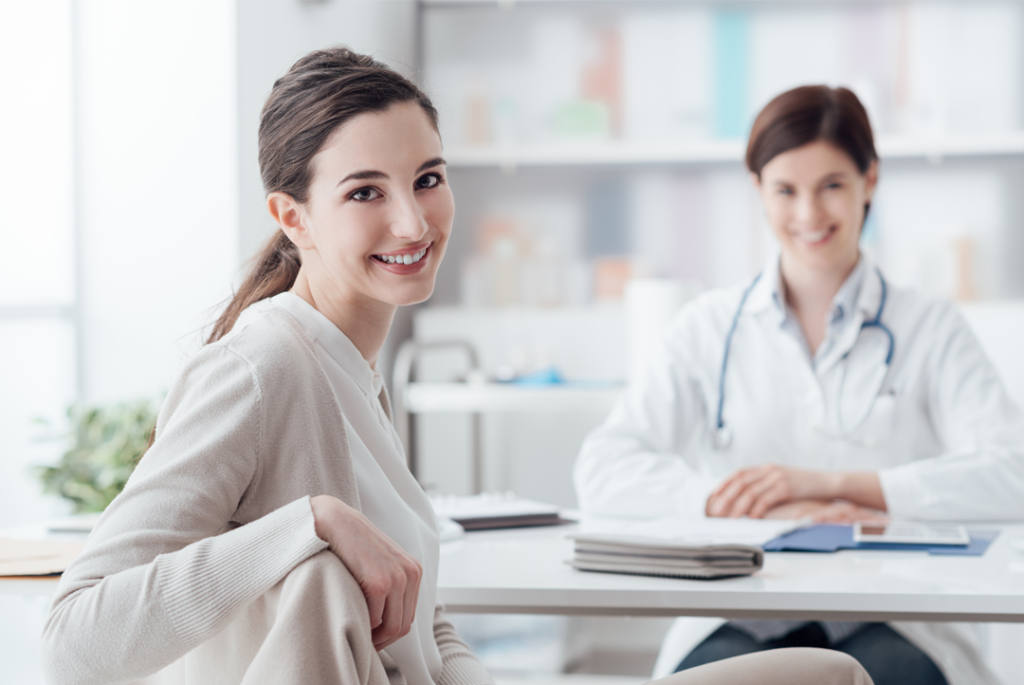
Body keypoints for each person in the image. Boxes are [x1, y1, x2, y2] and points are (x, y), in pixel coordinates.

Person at [41, 51, 872, 685]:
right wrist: (310, 522)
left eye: (427, 179)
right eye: (365, 192)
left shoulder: (354, 368)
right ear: (291, 217)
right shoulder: (263, 365)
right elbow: (74, 640)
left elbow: (423, 622)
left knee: (831, 674)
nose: (413, 219)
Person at [574, 85, 1024, 685]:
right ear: (758, 191)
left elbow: (1012, 471)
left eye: (832, 185)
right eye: (786, 190)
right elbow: (602, 470)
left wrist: (842, 486)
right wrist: (732, 500)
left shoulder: (930, 326)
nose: (809, 214)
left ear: (871, 181)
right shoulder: (708, 327)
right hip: (743, 610)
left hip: (893, 616)